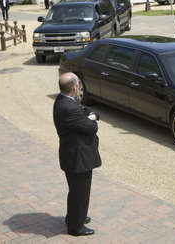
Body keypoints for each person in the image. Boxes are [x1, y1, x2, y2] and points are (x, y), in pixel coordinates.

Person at [53, 73, 101, 237]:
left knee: (75, 191)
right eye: (79, 84)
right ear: (74, 88)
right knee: (80, 192)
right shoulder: (69, 108)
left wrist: (89, 115)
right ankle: (75, 227)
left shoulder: (63, 100)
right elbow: (91, 127)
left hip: (72, 155)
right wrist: (92, 119)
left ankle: (74, 217)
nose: (80, 87)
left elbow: (85, 110)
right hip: (77, 158)